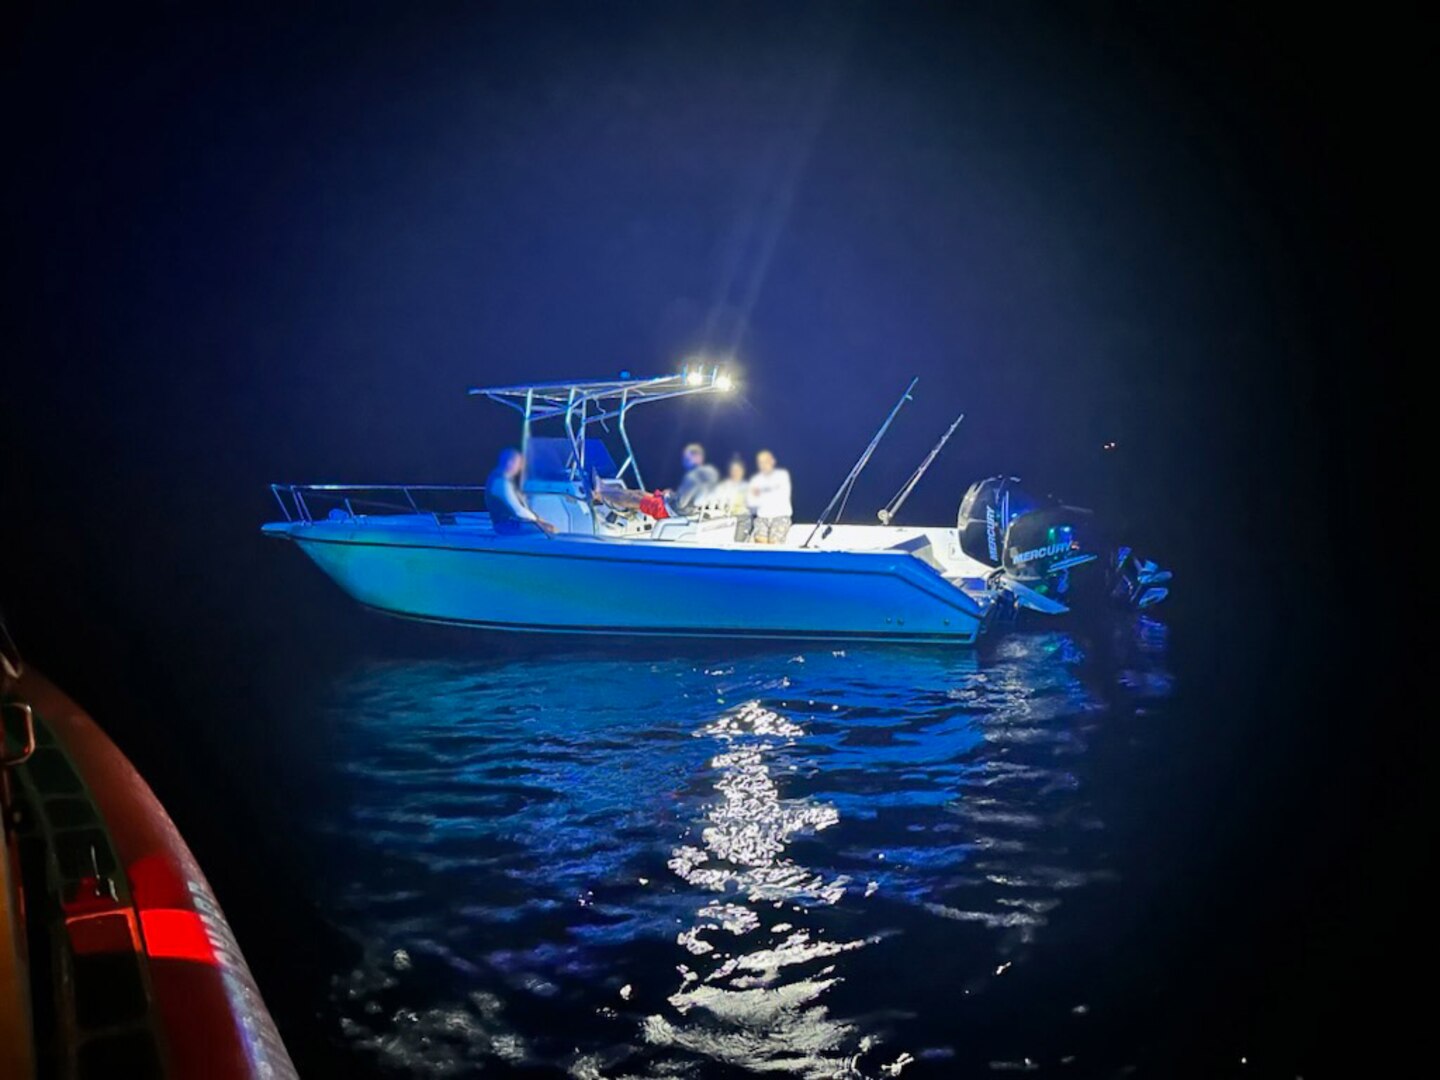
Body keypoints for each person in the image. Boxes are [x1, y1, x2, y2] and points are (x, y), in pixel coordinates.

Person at [592, 442, 719, 520]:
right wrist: (670, 495)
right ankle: (604, 488)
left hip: (667, 510)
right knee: (639, 492)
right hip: (670, 504)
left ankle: (600, 493)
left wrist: (672, 497)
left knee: (633, 498)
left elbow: (683, 504)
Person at [485, 448, 556, 535]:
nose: (520, 467)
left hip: (512, 524)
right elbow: (517, 510)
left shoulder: (504, 480)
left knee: (545, 527)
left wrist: (538, 519)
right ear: (510, 463)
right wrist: (537, 520)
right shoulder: (500, 482)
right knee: (549, 530)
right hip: (507, 526)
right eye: (518, 463)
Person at [747, 449, 792, 543]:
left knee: (774, 542)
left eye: (766, 461)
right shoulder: (755, 480)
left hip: (780, 517)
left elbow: (780, 496)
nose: (763, 465)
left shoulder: (782, 475)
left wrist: (760, 494)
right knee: (760, 542)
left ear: (772, 461)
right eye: (760, 462)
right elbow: (751, 503)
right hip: (762, 518)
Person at [707, 455, 754, 541]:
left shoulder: (748, 486)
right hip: (725, 518)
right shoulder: (722, 486)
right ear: (730, 471)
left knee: (738, 543)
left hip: (743, 519)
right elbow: (712, 501)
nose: (736, 472)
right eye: (733, 470)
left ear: (743, 471)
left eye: (738, 470)